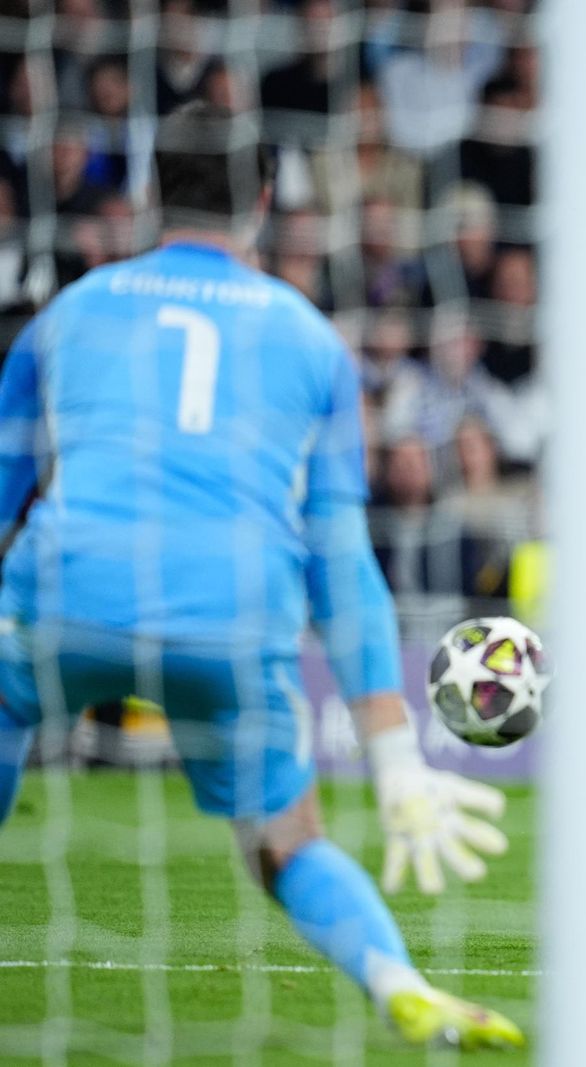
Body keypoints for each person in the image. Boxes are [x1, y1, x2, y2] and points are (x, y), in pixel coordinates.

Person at [0, 103, 521, 1049]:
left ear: (151, 190)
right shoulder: (313, 339)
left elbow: (4, 491)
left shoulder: (66, 314)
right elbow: (339, 553)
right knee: (289, 841)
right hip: (233, 617)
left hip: (67, 594)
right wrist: (394, 757)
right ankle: (397, 978)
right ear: (267, 200)